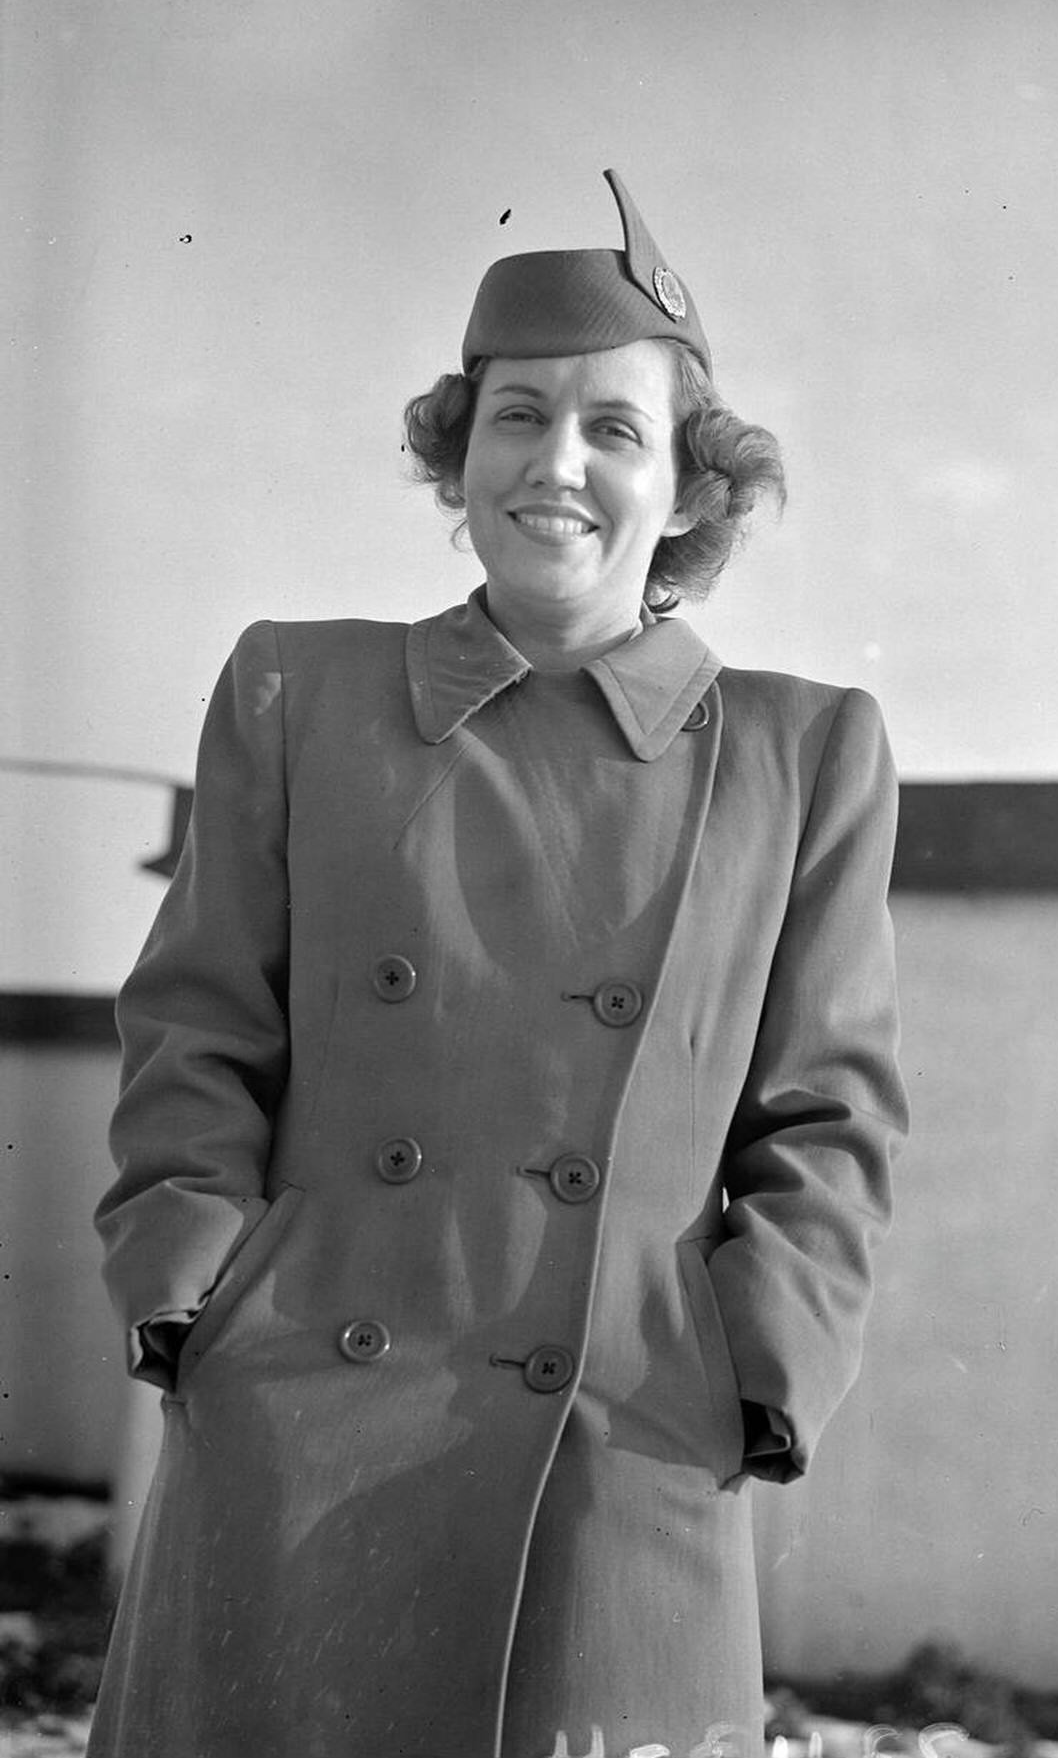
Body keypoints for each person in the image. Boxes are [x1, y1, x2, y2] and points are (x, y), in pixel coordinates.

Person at [89, 169, 908, 1758]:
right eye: (517, 416)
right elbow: (196, 1027)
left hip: (625, 1454)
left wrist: (752, 1370)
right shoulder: (296, 693)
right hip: (297, 1433)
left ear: (689, 486)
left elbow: (828, 1119)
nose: (557, 463)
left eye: (616, 428)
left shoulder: (803, 753)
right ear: (457, 456)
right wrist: (192, 1296)